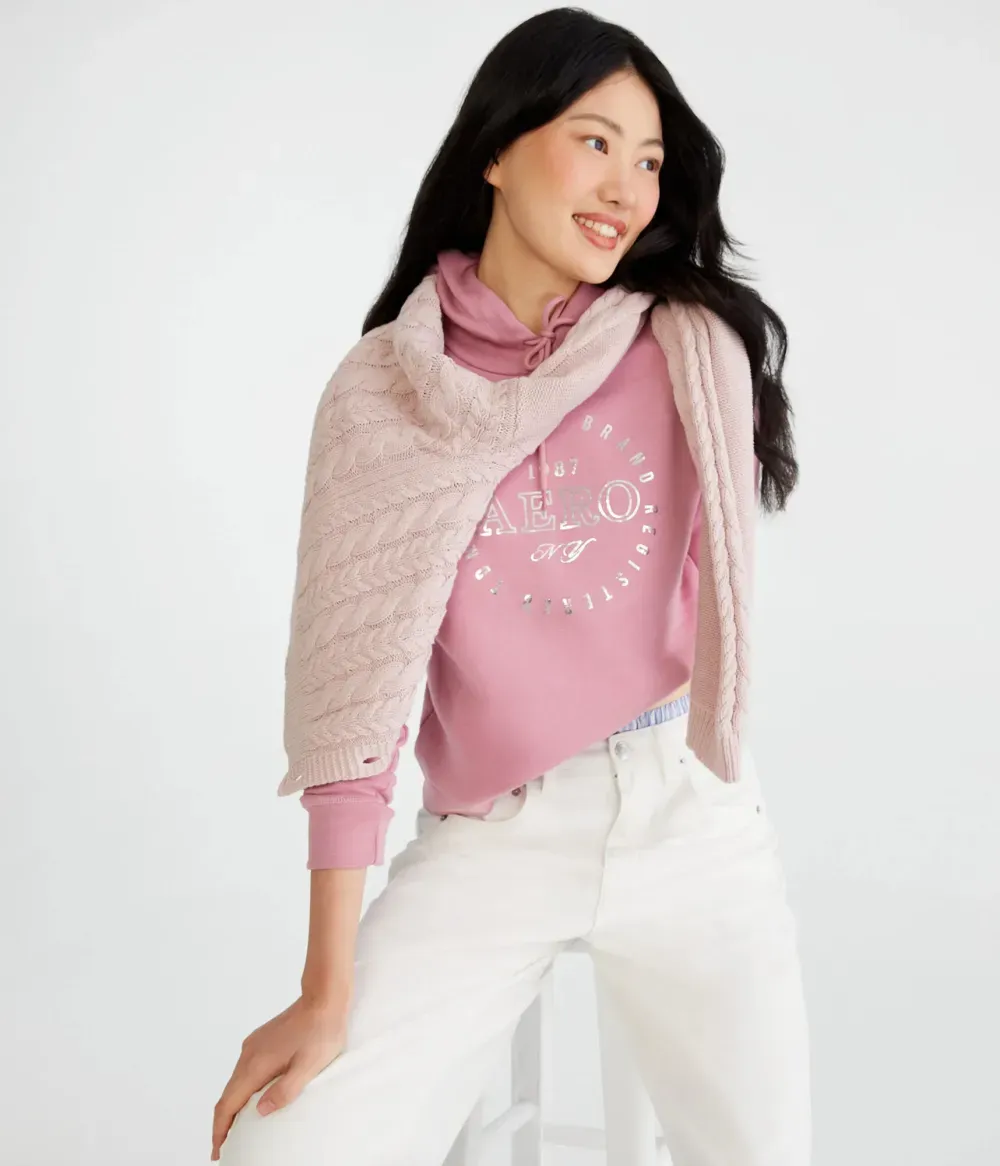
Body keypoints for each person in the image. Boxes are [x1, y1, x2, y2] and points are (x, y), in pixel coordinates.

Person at [211, 7, 811, 1163]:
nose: (627, 187)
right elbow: (350, 701)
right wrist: (324, 988)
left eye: (649, 161)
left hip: (689, 817)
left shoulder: (688, 347)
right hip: (493, 833)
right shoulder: (383, 390)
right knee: (285, 1148)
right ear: (495, 148)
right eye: (595, 141)